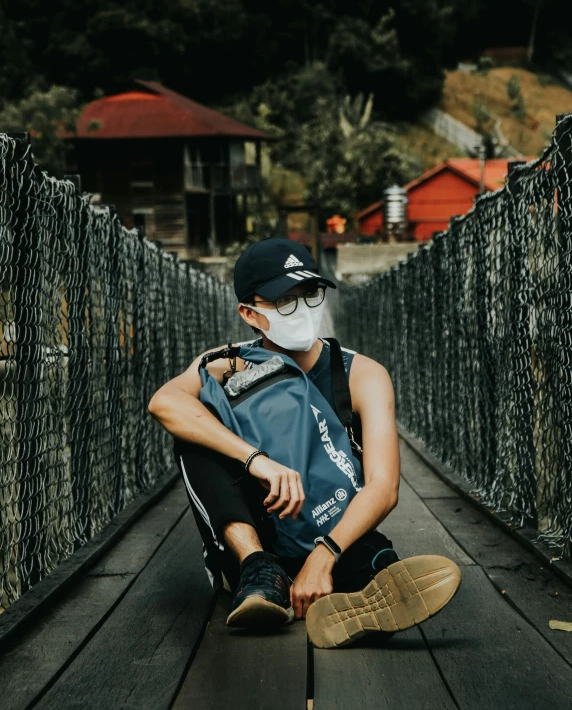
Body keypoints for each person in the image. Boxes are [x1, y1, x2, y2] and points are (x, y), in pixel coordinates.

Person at [148, 238, 461, 649]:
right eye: (284, 300)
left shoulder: (361, 374)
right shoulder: (228, 364)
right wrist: (257, 461)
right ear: (249, 313)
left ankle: (362, 585)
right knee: (196, 434)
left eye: (310, 294)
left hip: (331, 533)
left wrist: (324, 554)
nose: (304, 309)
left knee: (375, 561)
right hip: (257, 535)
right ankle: (260, 573)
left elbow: (383, 488)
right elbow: (164, 402)